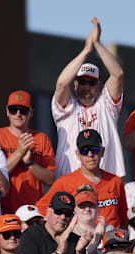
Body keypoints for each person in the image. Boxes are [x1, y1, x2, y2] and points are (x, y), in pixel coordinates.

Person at [52, 17, 126, 178]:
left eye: (91, 83)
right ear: (75, 84)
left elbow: (118, 74)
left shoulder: (106, 104)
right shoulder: (67, 106)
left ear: (98, 85)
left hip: (106, 180)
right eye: (82, 82)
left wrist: (98, 44)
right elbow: (61, 83)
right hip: (70, 179)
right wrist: (86, 50)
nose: (86, 87)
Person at [36, 129, 128, 228]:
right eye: (84, 151)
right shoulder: (65, 183)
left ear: (102, 152)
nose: (90, 155)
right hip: (80, 239)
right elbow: (39, 211)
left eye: (94, 150)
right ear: (78, 154)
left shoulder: (115, 182)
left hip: (111, 240)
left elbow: (124, 219)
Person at [0, 90, 57, 213]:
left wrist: (30, 163)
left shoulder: (41, 138)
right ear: (7, 112)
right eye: (14, 110)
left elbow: (51, 179)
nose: (18, 114)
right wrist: (19, 153)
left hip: (34, 210)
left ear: (30, 113)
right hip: (4, 209)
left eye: (23, 110)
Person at [20, 192, 90, 254]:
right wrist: (58, 253)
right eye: (58, 212)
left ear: (72, 217)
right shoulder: (31, 235)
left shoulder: (75, 240)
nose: (63, 217)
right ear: (48, 212)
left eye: (67, 214)